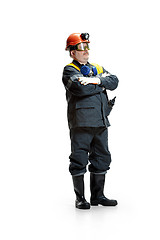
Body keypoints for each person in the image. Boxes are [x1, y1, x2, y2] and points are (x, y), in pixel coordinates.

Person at [62, 33, 119, 209]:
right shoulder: (70, 70)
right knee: (79, 158)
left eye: (87, 47)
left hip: (101, 121)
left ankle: (98, 196)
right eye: (81, 48)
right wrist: (101, 85)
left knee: (102, 157)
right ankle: (80, 198)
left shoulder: (96, 67)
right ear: (73, 52)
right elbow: (79, 89)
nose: (86, 51)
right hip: (81, 122)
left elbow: (114, 81)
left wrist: (94, 80)